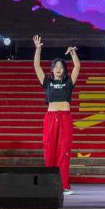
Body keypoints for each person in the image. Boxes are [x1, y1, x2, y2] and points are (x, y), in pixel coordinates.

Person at [32, 35, 80, 196]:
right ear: (52, 69)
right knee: (49, 150)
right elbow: (36, 66)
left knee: (63, 151)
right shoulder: (47, 83)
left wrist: (73, 53)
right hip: (51, 118)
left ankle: (64, 185)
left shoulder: (68, 83)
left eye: (61, 67)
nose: (58, 69)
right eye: (56, 67)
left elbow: (77, 66)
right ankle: (49, 185)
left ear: (64, 70)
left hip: (65, 118)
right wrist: (38, 49)